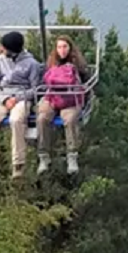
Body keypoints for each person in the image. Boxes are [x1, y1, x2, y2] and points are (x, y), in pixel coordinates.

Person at [0, 31, 42, 179]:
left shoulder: (31, 64)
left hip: (22, 99)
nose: (2, 50)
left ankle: (18, 164)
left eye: (4, 48)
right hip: (3, 97)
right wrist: (4, 99)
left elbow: (35, 89)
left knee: (16, 120)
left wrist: (18, 98)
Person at [35, 34, 90, 175]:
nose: (62, 50)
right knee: (42, 118)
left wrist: (84, 99)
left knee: (70, 120)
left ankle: (72, 156)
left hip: (71, 99)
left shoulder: (78, 64)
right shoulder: (52, 62)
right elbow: (45, 81)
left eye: (65, 46)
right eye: (59, 47)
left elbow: (85, 82)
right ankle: (44, 155)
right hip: (53, 97)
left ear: (70, 47)